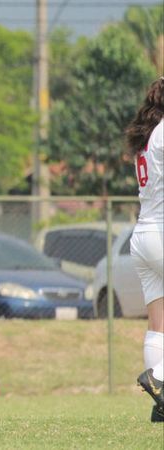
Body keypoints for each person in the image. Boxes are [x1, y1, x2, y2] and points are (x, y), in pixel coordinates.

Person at [125, 77, 164, 423]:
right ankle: (159, 378)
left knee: (158, 324)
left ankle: (162, 405)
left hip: (144, 234)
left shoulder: (148, 137)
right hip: (162, 233)